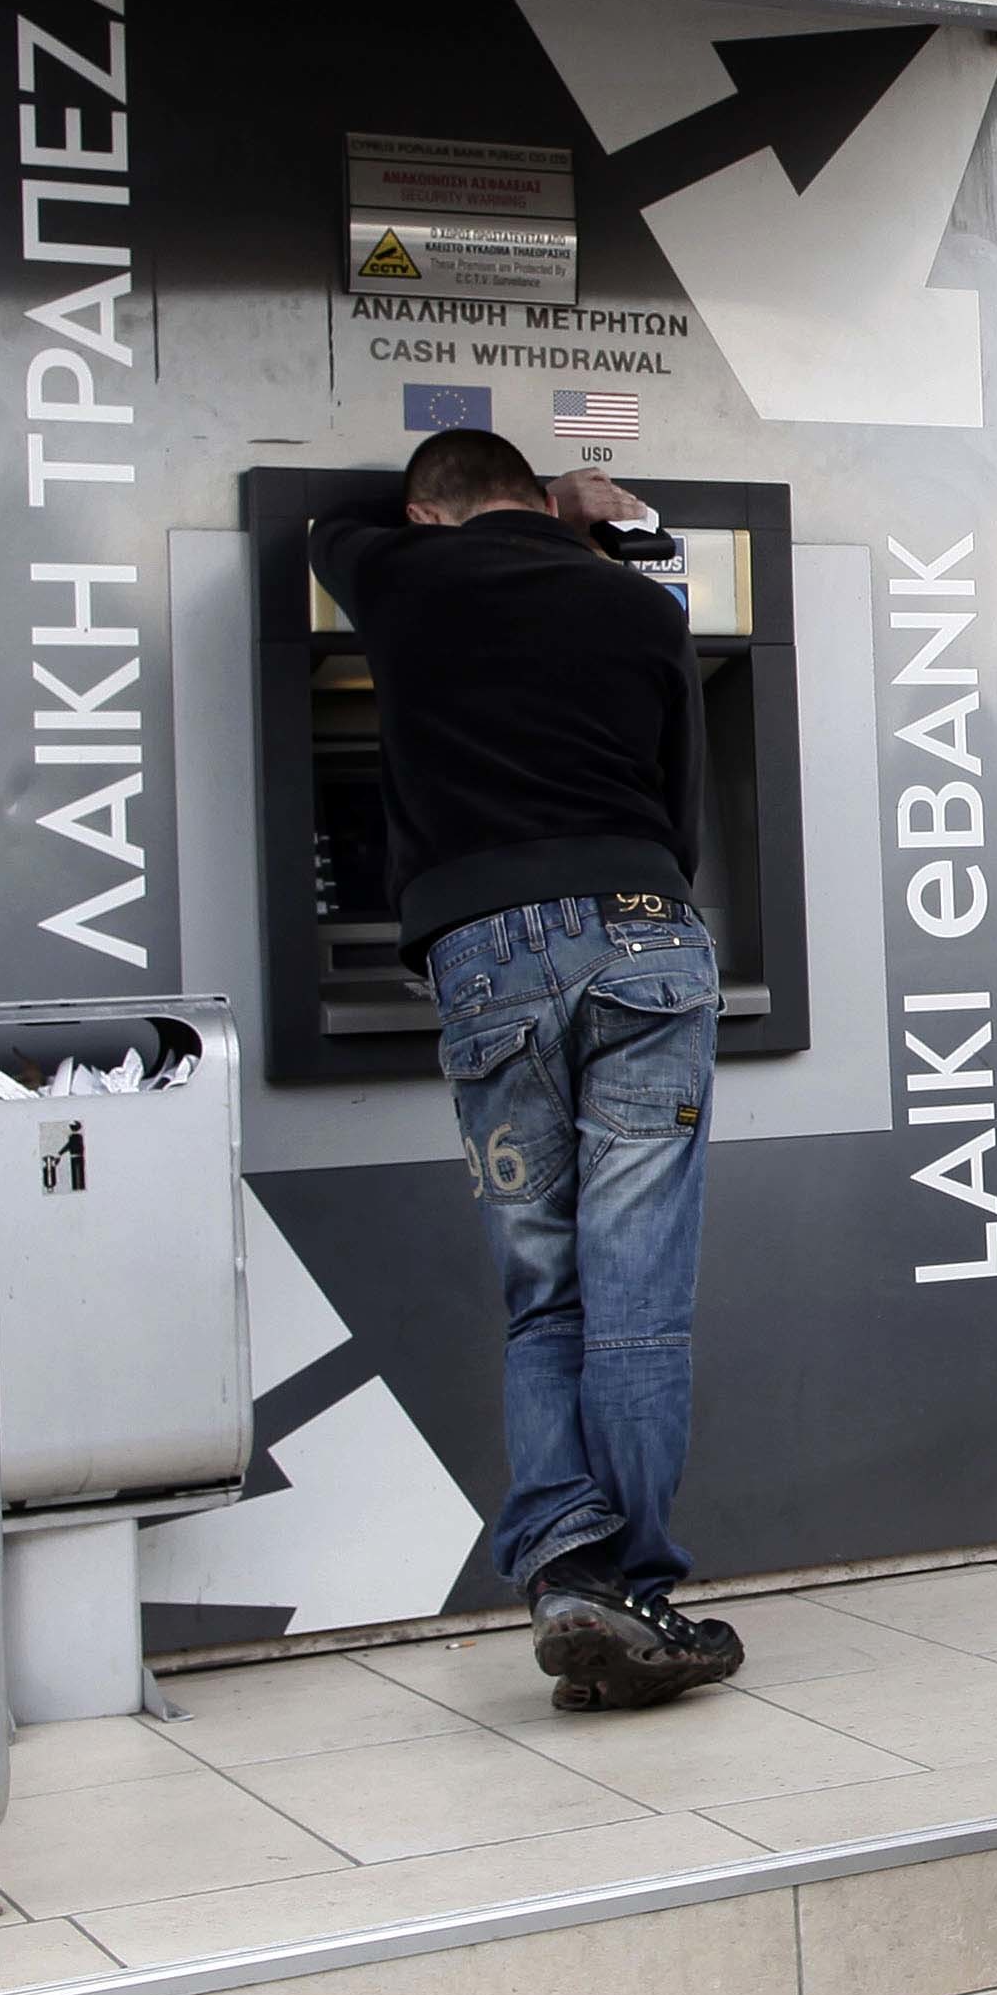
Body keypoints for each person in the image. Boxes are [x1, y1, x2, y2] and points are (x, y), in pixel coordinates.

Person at [308, 428, 744, 1709]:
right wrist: (586, 527)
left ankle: (567, 1567)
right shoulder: (632, 602)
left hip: (491, 954)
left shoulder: (401, 576)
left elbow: (329, 524)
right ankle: (641, 1587)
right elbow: (683, 810)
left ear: (426, 511)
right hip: (651, 939)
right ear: (540, 501)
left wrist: (509, 509)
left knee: (543, 1287)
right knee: (639, 1294)